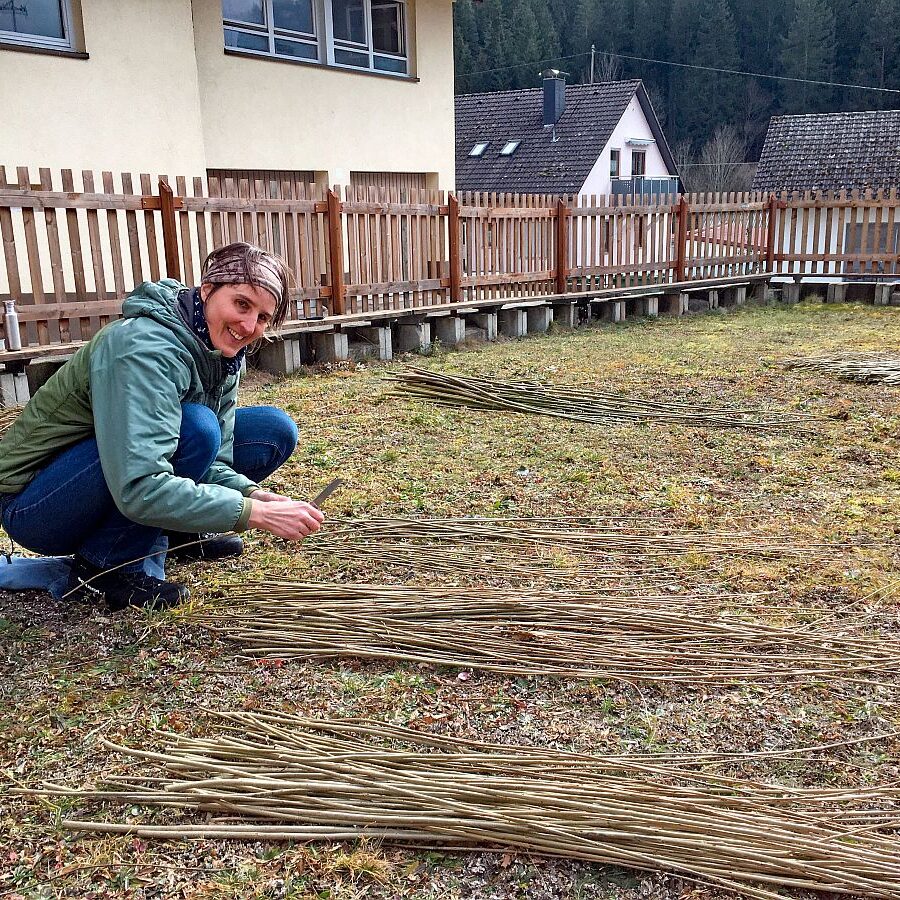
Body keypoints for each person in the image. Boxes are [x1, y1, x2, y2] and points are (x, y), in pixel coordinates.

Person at [0, 242, 324, 611]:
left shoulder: (219, 351)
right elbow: (141, 484)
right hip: (36, 504)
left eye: (263, 317)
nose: (249, 326)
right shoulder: (143, 348)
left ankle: (177, 534)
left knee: (272, 430)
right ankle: (106, 565)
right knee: (196, 428)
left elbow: (217, 460)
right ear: (206, 291)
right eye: (241, 304)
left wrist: (252, 495)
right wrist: (255, 515)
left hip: (109, 470)